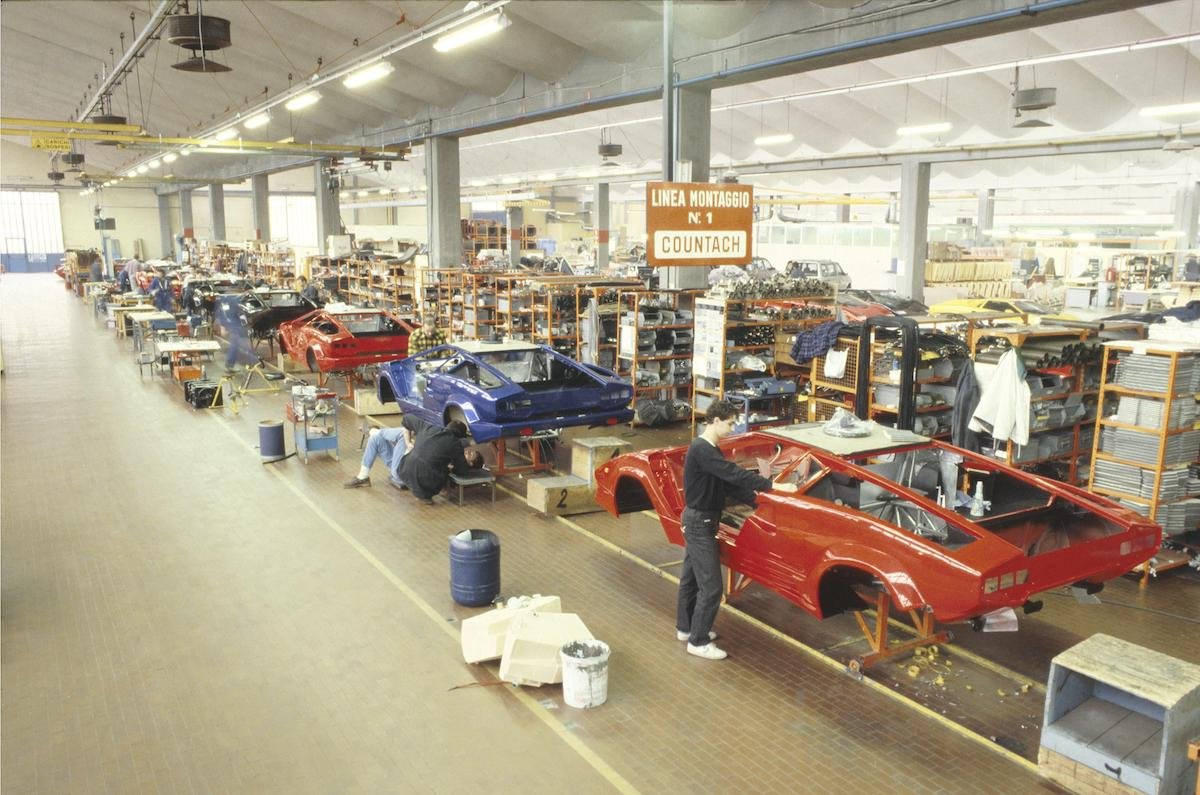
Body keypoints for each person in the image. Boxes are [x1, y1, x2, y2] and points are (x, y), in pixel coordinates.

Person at [676, 400, 798, 660]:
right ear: (716, 420)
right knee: (711, 587)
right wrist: (771, 487)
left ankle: (686, 629)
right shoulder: (703, 450)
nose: (733, 427)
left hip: (699, 521)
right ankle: (697, 642)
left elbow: (727, 485)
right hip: (700, 524)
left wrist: (757, 501)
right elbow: (734, 474)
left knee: (691, 578)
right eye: (730, 422)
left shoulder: (709, 449)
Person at [345, 417, 481, 504]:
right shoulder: (455, 447)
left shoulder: (444, 439)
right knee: (376, 440)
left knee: (400, 434)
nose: (468, 452)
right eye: (469, 451)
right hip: (401, 470)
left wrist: (408, 443)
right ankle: (363, 476)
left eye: (471, 455)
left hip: (403, 472)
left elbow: (407, 420)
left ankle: (374, 431)